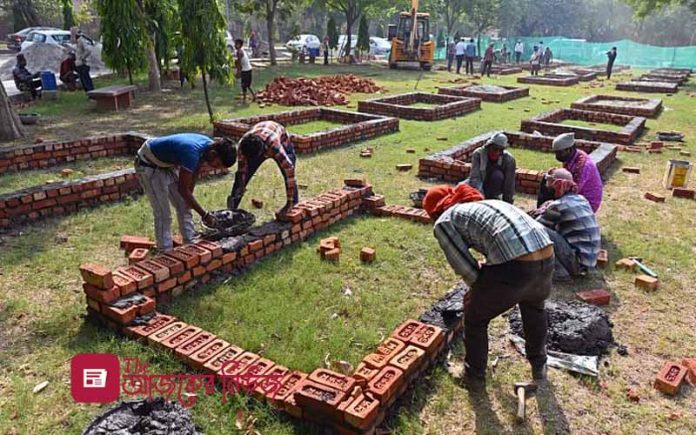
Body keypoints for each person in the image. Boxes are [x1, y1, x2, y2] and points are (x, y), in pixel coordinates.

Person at [424, 187, 554, 383]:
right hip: (547, 255)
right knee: (534, 308)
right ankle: (539, 364)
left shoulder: (444, 221)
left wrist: (479, 292)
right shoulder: (483, 205)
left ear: (434, 212)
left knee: (475, 315)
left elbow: (466, 269)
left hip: (517, 265)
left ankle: (473, 374)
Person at [134, 134, 237, 252]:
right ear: (213, 154)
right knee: (163, 213)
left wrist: (189, 195)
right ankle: (165, 250)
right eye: (217, 164)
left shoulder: (208, 147)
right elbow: (182, 189)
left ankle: (189, 241)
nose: (215, 167)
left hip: (166, 164)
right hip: (148, 163)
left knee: (184, 205)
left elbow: (196, 169)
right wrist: (204, 215)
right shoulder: (191, 153)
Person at [532, 169, 600, 281]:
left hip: (577, 263)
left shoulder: (558, 205)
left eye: (549, 183)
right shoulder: (581, 199)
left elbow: (535, 226)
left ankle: (559, 272)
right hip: (589, 262)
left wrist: (537, 212)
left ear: (557, 185)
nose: (547, 187)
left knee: (538, 230)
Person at [227, 121, 298, 216]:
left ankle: (293, 203)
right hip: (261, 134)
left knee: (287, 172)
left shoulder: (274, 146)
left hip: (278, 135)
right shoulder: (243, 146)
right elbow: (241, 171)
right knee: (243, 176)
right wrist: (241, 185)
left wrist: (290, 201)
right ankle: (232, 208)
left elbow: (289, 171)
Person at [537, 133, 603, 212]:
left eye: (559, 153)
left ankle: (543, 213)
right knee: (546, 180)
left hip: (586, 204)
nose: (557, 156)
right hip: (575, 196)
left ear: (569, 149)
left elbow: (572, 190)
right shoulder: (572, 157)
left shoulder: (583, 165)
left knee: (552, 189)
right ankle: (541, 211)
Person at [465, 132, 516, 204]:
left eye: (500, 150)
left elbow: (509, 185)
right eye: (495, 149)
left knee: (497, 176)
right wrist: (479, 198)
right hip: (480, 184)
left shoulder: (509, 160)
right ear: (489, 146)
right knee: (461, 188)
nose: (497, 153)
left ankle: (492, 197)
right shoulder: (478, 154)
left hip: (494, 185)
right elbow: (475, 178)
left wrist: (508, 203)